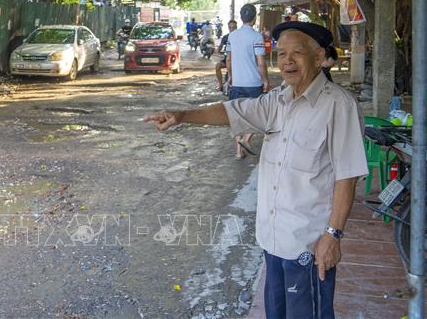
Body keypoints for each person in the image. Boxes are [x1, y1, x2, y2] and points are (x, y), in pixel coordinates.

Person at [144, 21, 368, 319]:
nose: (287, 60)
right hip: (273, 238)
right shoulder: (278, 100)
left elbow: (347, 176)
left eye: (296, 53)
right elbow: (232, 111)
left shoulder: (339, 105)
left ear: (318, 57)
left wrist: (332, 235)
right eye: (281, 53)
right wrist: (182, 115)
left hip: (308, 245)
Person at [226, 4, 269, 159]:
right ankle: (246, 140)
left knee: (237, 117)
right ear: (254, 17)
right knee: (258, 115)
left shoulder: (232, 36)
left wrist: (230, 76)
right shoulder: (257, 36)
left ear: (241, 17)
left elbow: (228, 59)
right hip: (253, 83)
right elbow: (261, 62)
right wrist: (265, 80)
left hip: (237, 82)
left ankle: (239, 151)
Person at [215, 20, 236, 91]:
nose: (232, 29)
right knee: (217, 66)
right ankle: (220, 85)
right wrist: (218, 50)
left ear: (236, 28)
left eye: (234, 28)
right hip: (227, 59)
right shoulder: (225, 37)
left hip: (238, 60)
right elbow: (220, 46)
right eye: (230, 28)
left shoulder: (240, 37)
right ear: (228, 28)